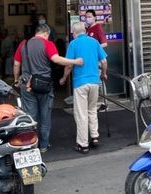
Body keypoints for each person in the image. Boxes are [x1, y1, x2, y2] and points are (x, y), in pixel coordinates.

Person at [13, 24, 83, 153]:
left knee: (30, 116)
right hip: (44, 85)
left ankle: (31, 144)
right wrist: (75, 62)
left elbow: (16, 64)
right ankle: (44, 145)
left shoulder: (24, 44)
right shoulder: (48, 43)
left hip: (26, 85)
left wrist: (16, 80)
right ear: (46, 33)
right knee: (45, 116)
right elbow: (56, 59)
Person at [59, 22, 108, 154]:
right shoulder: (94, 42)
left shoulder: (73, 44)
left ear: (74, 33)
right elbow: (104, 61)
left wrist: (63, 78)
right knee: (92, 109)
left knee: (81, 114)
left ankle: (83, 144)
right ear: (85, 31)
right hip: (94, 82)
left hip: (80, 83)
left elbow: (69, 65)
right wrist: (103, 74)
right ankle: (95, 137)